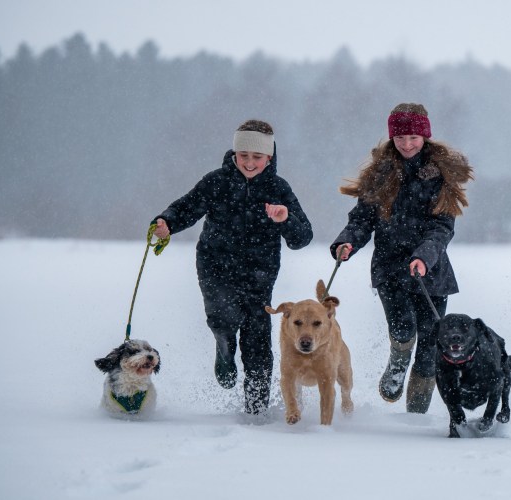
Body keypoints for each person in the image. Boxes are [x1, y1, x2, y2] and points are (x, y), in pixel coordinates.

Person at [152, 119, 313, 416]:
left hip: (259, 274)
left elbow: (303, 237)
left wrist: (284, 219)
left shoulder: (278, 188)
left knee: (257, 340)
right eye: (244, 156)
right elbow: (188, 206)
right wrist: (166, 222)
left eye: (257, 157)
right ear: (234, 153)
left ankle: (256, 409)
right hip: (216, 266)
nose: (249, 163)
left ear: (269, 157)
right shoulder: (217, 181)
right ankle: (224, 348)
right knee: (223, 317)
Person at [331, 103, 473, 414]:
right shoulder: (380, 175)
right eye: (400, 138)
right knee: (404, 328)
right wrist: (347, 242)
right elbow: (362, 220)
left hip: (431, 271)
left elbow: (442, 228)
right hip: (390, 267)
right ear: (391, 138)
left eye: (412, 137)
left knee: (429, 348)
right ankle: (397, 362)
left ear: (425, 136)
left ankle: (416, 416)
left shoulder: (441, 176)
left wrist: (424, 256)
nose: (406, 144)